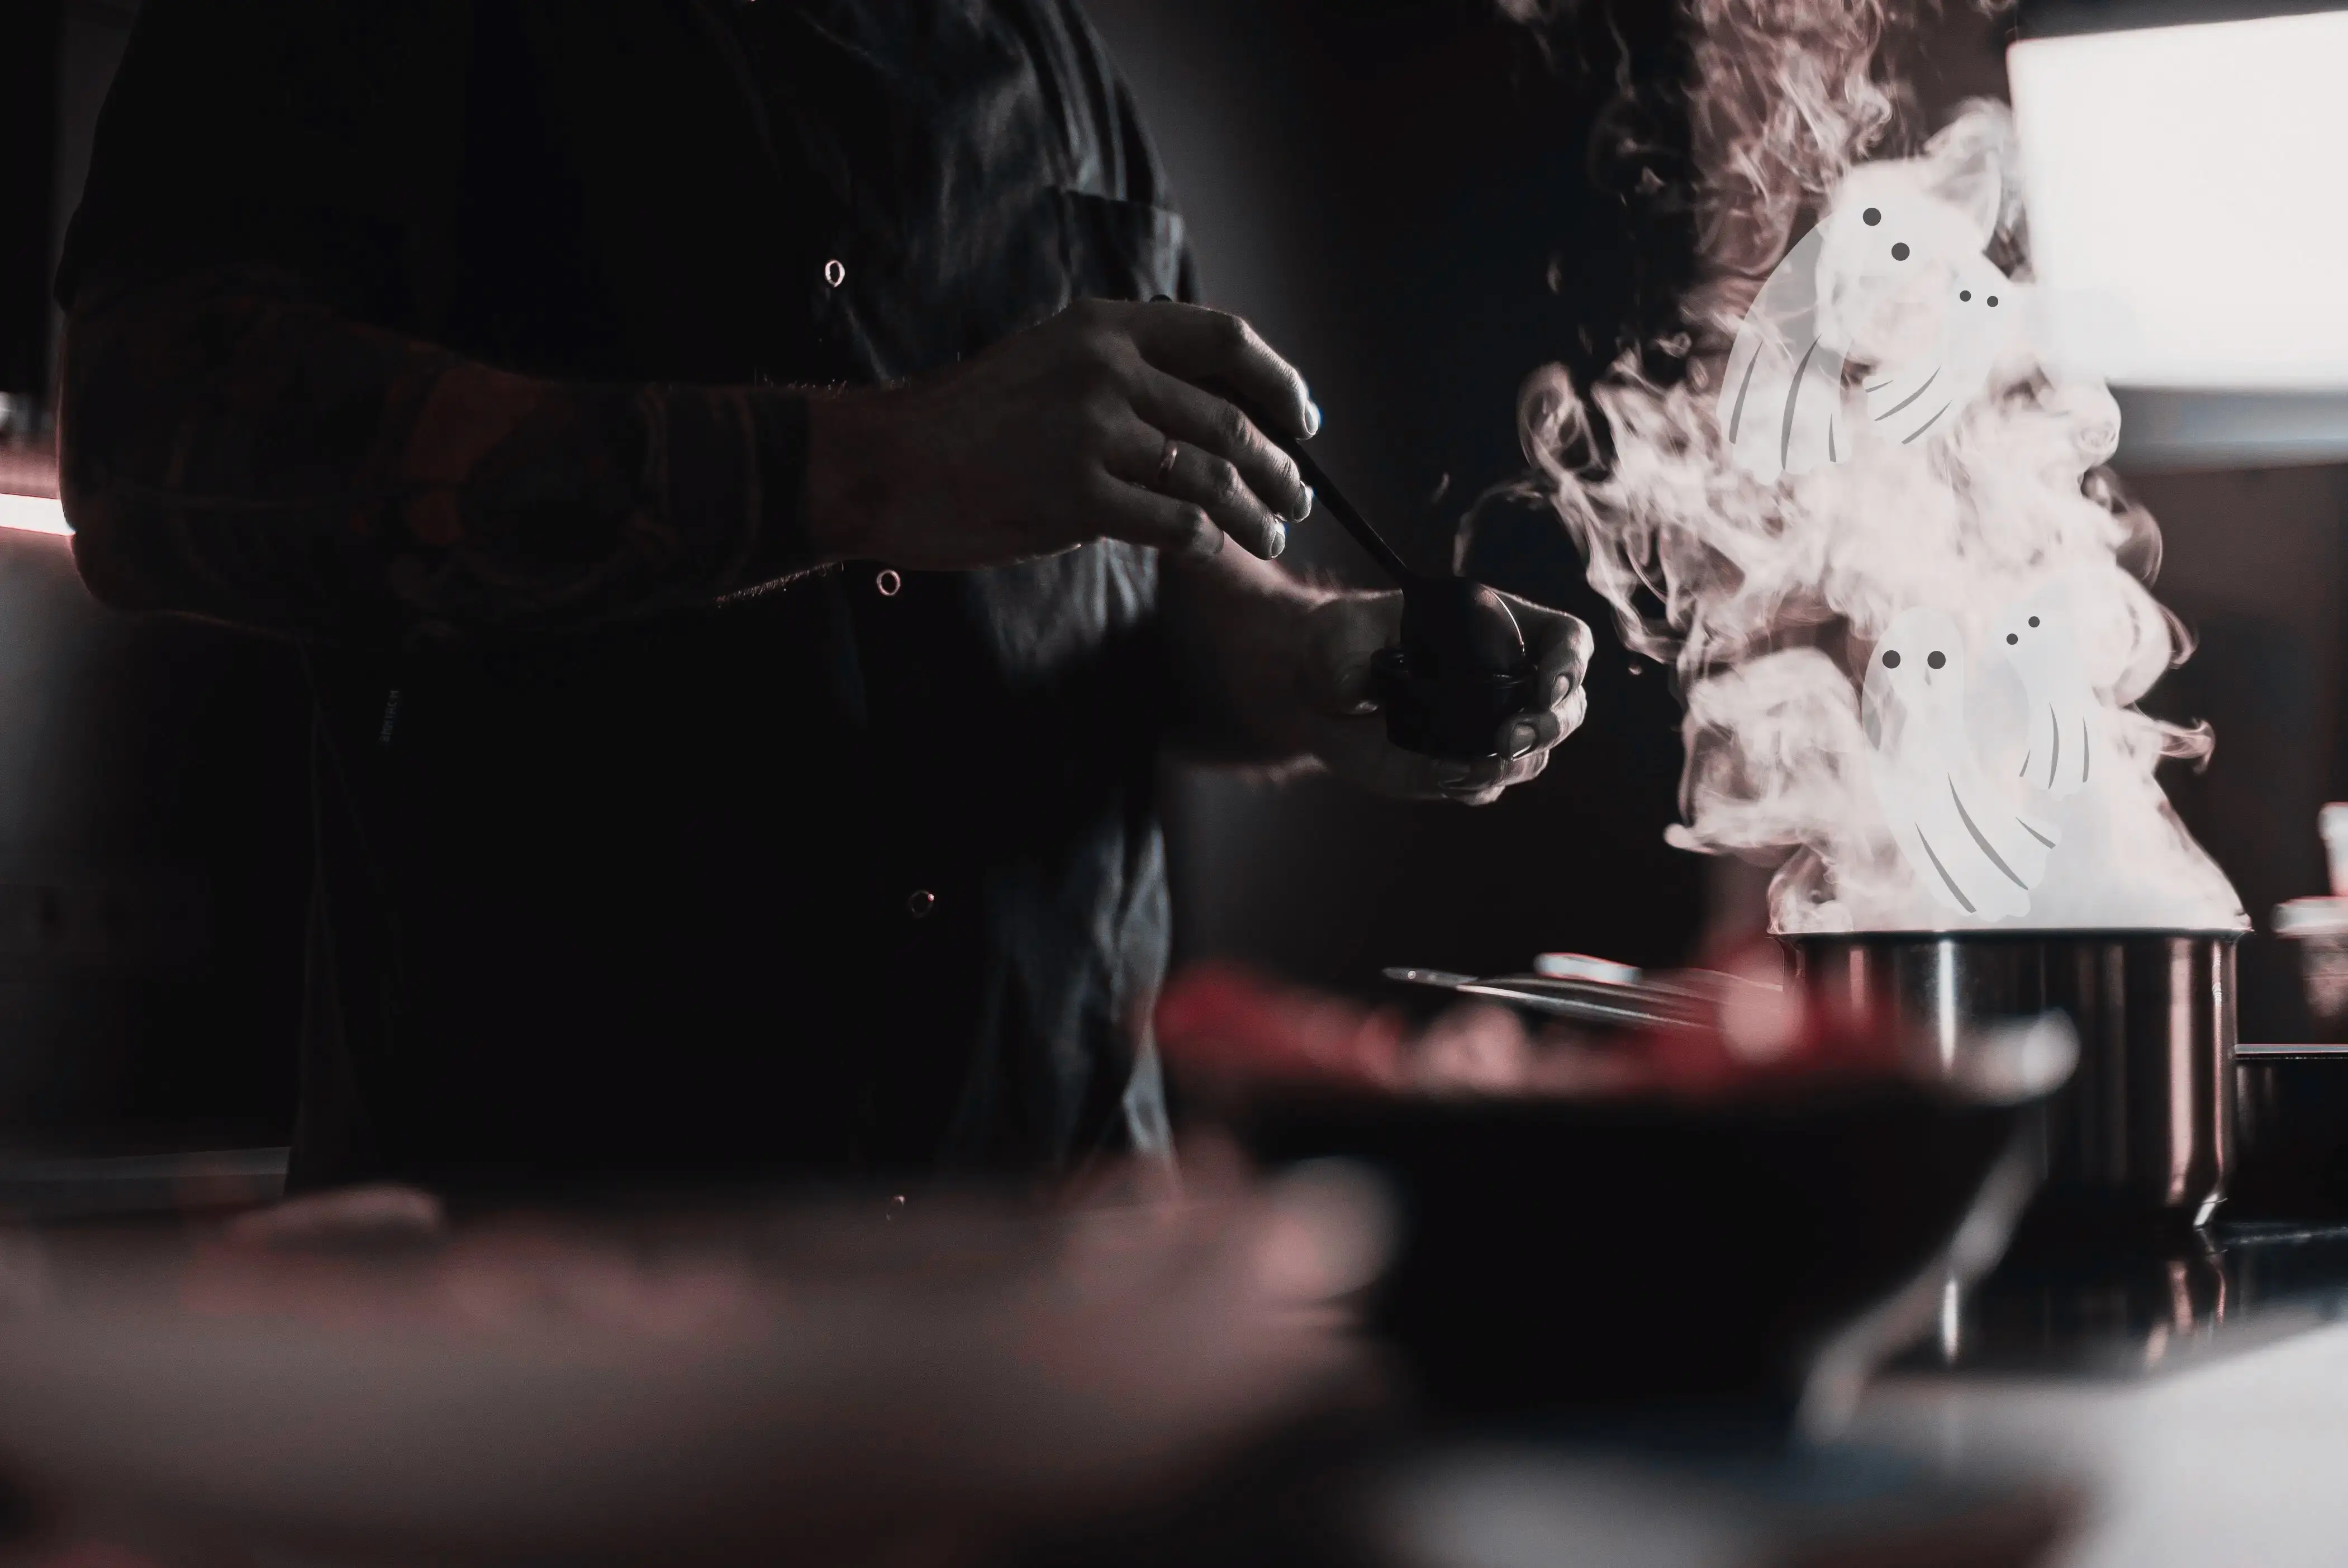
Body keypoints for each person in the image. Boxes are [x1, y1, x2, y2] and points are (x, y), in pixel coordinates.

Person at [53, 0, 1590, 1198]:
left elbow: (1112, 586)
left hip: (1056, 1254)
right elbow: (149, 456)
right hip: (565, 1295)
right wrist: (865, 465)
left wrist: (1303, 660)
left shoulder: (1051, 51)